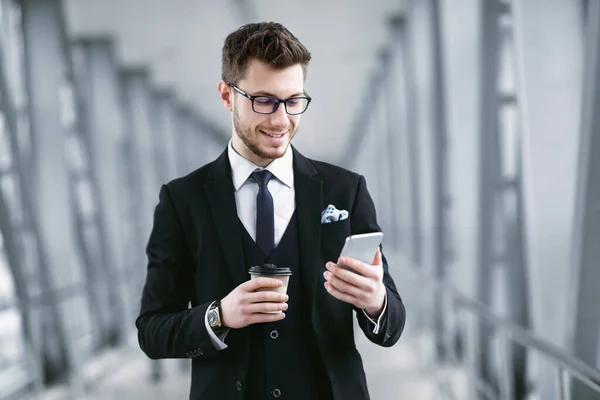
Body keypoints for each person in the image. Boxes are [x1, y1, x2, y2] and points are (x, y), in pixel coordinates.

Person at [135, 21, 406, 400]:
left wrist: (375, 301)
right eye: (264, 101)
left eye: (294, 101)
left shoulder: (346, 190)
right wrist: (219, 315)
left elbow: (392, 324)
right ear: (227, 96)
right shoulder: (183, 200)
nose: (281, 120)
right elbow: (152, 331)